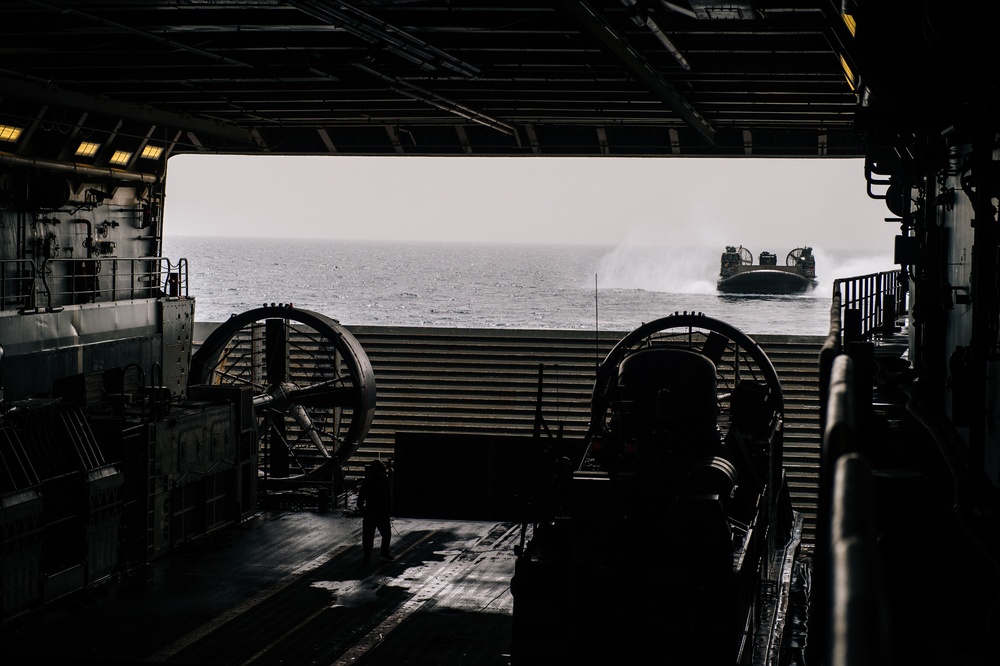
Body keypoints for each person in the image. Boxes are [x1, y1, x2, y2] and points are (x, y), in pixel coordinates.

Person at [357, 459, 393, 562]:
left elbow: (361, 496)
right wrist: (388, 509)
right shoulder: (384, 480)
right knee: (386, 534)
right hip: (381, 511)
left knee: (368, 535)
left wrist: (361, 508)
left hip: (370, 511)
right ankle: (384, 552)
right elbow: (387, 496)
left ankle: (367, 554)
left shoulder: (367, 480)